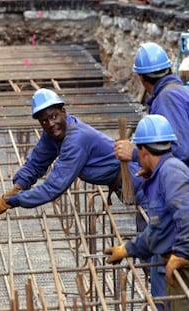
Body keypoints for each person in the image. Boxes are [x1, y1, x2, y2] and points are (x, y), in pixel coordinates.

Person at [0, 88, 147, 215]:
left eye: (54, 116)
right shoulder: (54, 133)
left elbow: (53, 187)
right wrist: (14, 189)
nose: (50, 124)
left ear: (64, 112)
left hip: (137, 182)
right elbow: (35, 163)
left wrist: (10, 202)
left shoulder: (76, 140)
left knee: (153, 239)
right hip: (121, 185)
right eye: (44, 121)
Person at [114, 42, 189, 308]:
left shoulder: (167, 98)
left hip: (175, 231)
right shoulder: (174, 92)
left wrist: (135, 155)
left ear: (143, 78)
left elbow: (177, 150)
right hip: (169, 222)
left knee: (167, 292)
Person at [105, 114, 189, 311]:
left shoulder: (171, 172)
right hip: (173, 262)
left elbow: (186, 213)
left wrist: (183, 252)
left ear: (143, 151)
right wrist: (129, 249)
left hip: (182, 265)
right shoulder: (163, 173)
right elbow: (159, 229)